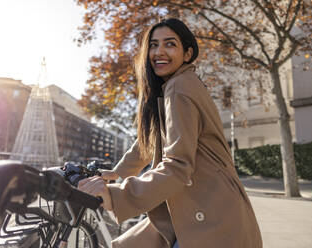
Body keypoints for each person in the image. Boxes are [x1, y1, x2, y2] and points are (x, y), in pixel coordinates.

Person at [78, 18, 263, 248]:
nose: (159, 51)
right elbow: (149, 140)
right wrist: (116, 173)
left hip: (210, 212)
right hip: (200, 204)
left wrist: (116, 195)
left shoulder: (180, 87)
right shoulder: (176, 86)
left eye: (170, 44)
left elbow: (178, 165)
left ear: (187, 54)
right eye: (153, 45)